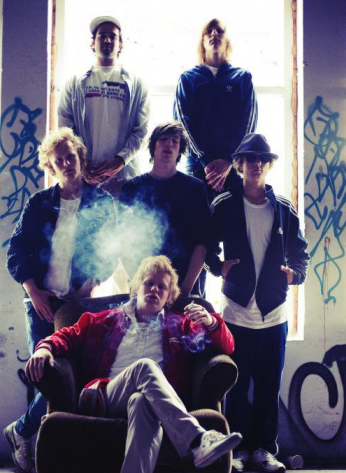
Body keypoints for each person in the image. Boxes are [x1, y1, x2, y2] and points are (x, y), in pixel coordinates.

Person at [25, 255, 241, 473]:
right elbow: (68, 335)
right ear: (137, 286)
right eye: (149, 283)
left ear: (169, 296)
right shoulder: (106, 319)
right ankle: (196, 439)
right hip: (104, 398)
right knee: (144, 367)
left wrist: (212, 323)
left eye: (162, 287)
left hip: (155, 405)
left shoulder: (180, 325)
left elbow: (226, 347)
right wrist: (44, 349)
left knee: (141, 401)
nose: (154, 290)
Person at [4, 127, 116, 473]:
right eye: (59, 160)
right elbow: (16, 250)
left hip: (77, 304)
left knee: (71, 374)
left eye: (71, 157)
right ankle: (32, 437)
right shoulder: (39, 203)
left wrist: (87, 288)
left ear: (80, 158)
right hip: (40, 303)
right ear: (50, 166)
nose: (67, 163)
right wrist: (33, 291)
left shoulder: (102, 202)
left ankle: (22, 431)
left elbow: (109, 254)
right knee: (44, 372)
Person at [206, 133, 310, 473]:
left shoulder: (283, 208)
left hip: (274, 314)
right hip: (236, 312)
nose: (257, 164)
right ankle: (236, 449)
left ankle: (264, 450)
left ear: (269, 166)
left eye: (263, 160)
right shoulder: (224, 204)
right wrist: (217, 267)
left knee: (268, 387)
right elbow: (205, 245)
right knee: (235, 387)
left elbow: (301, 253)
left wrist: (293, 275)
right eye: (251, 159)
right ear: (239, 164)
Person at [58, 16, 150, 197]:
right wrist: (81, 164)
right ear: (92, 43)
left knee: (127, 216)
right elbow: (65, 129)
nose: (107, 40)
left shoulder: (137, 84)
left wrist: (121, 161)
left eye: (112, 36)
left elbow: (142, 131)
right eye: (102, 36)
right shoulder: (74, 83)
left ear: (121, 44)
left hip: (124, 177)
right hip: (85, 176)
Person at [120, 121, 209, 296]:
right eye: (163, 139)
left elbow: (202, 243)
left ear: (180, 150)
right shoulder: (131, 188)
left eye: (175, 141)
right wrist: (139, 285)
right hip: (144, 289)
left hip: (186, 288)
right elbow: (123, 243)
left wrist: (184, 290)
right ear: (153, 147)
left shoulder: (195, 189)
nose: (169, 144)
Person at [174, 18, 258, 201]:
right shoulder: (187, 79)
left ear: (227, 41)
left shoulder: (242, 78)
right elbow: (183, 124)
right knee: (196, 219)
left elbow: (248, 124)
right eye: (209, 31)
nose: (214, 34)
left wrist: (229, 159)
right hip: (197, 168)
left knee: (231, 218)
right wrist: (206, 160)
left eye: (219, 31)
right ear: (202, 41)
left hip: (233, 169)